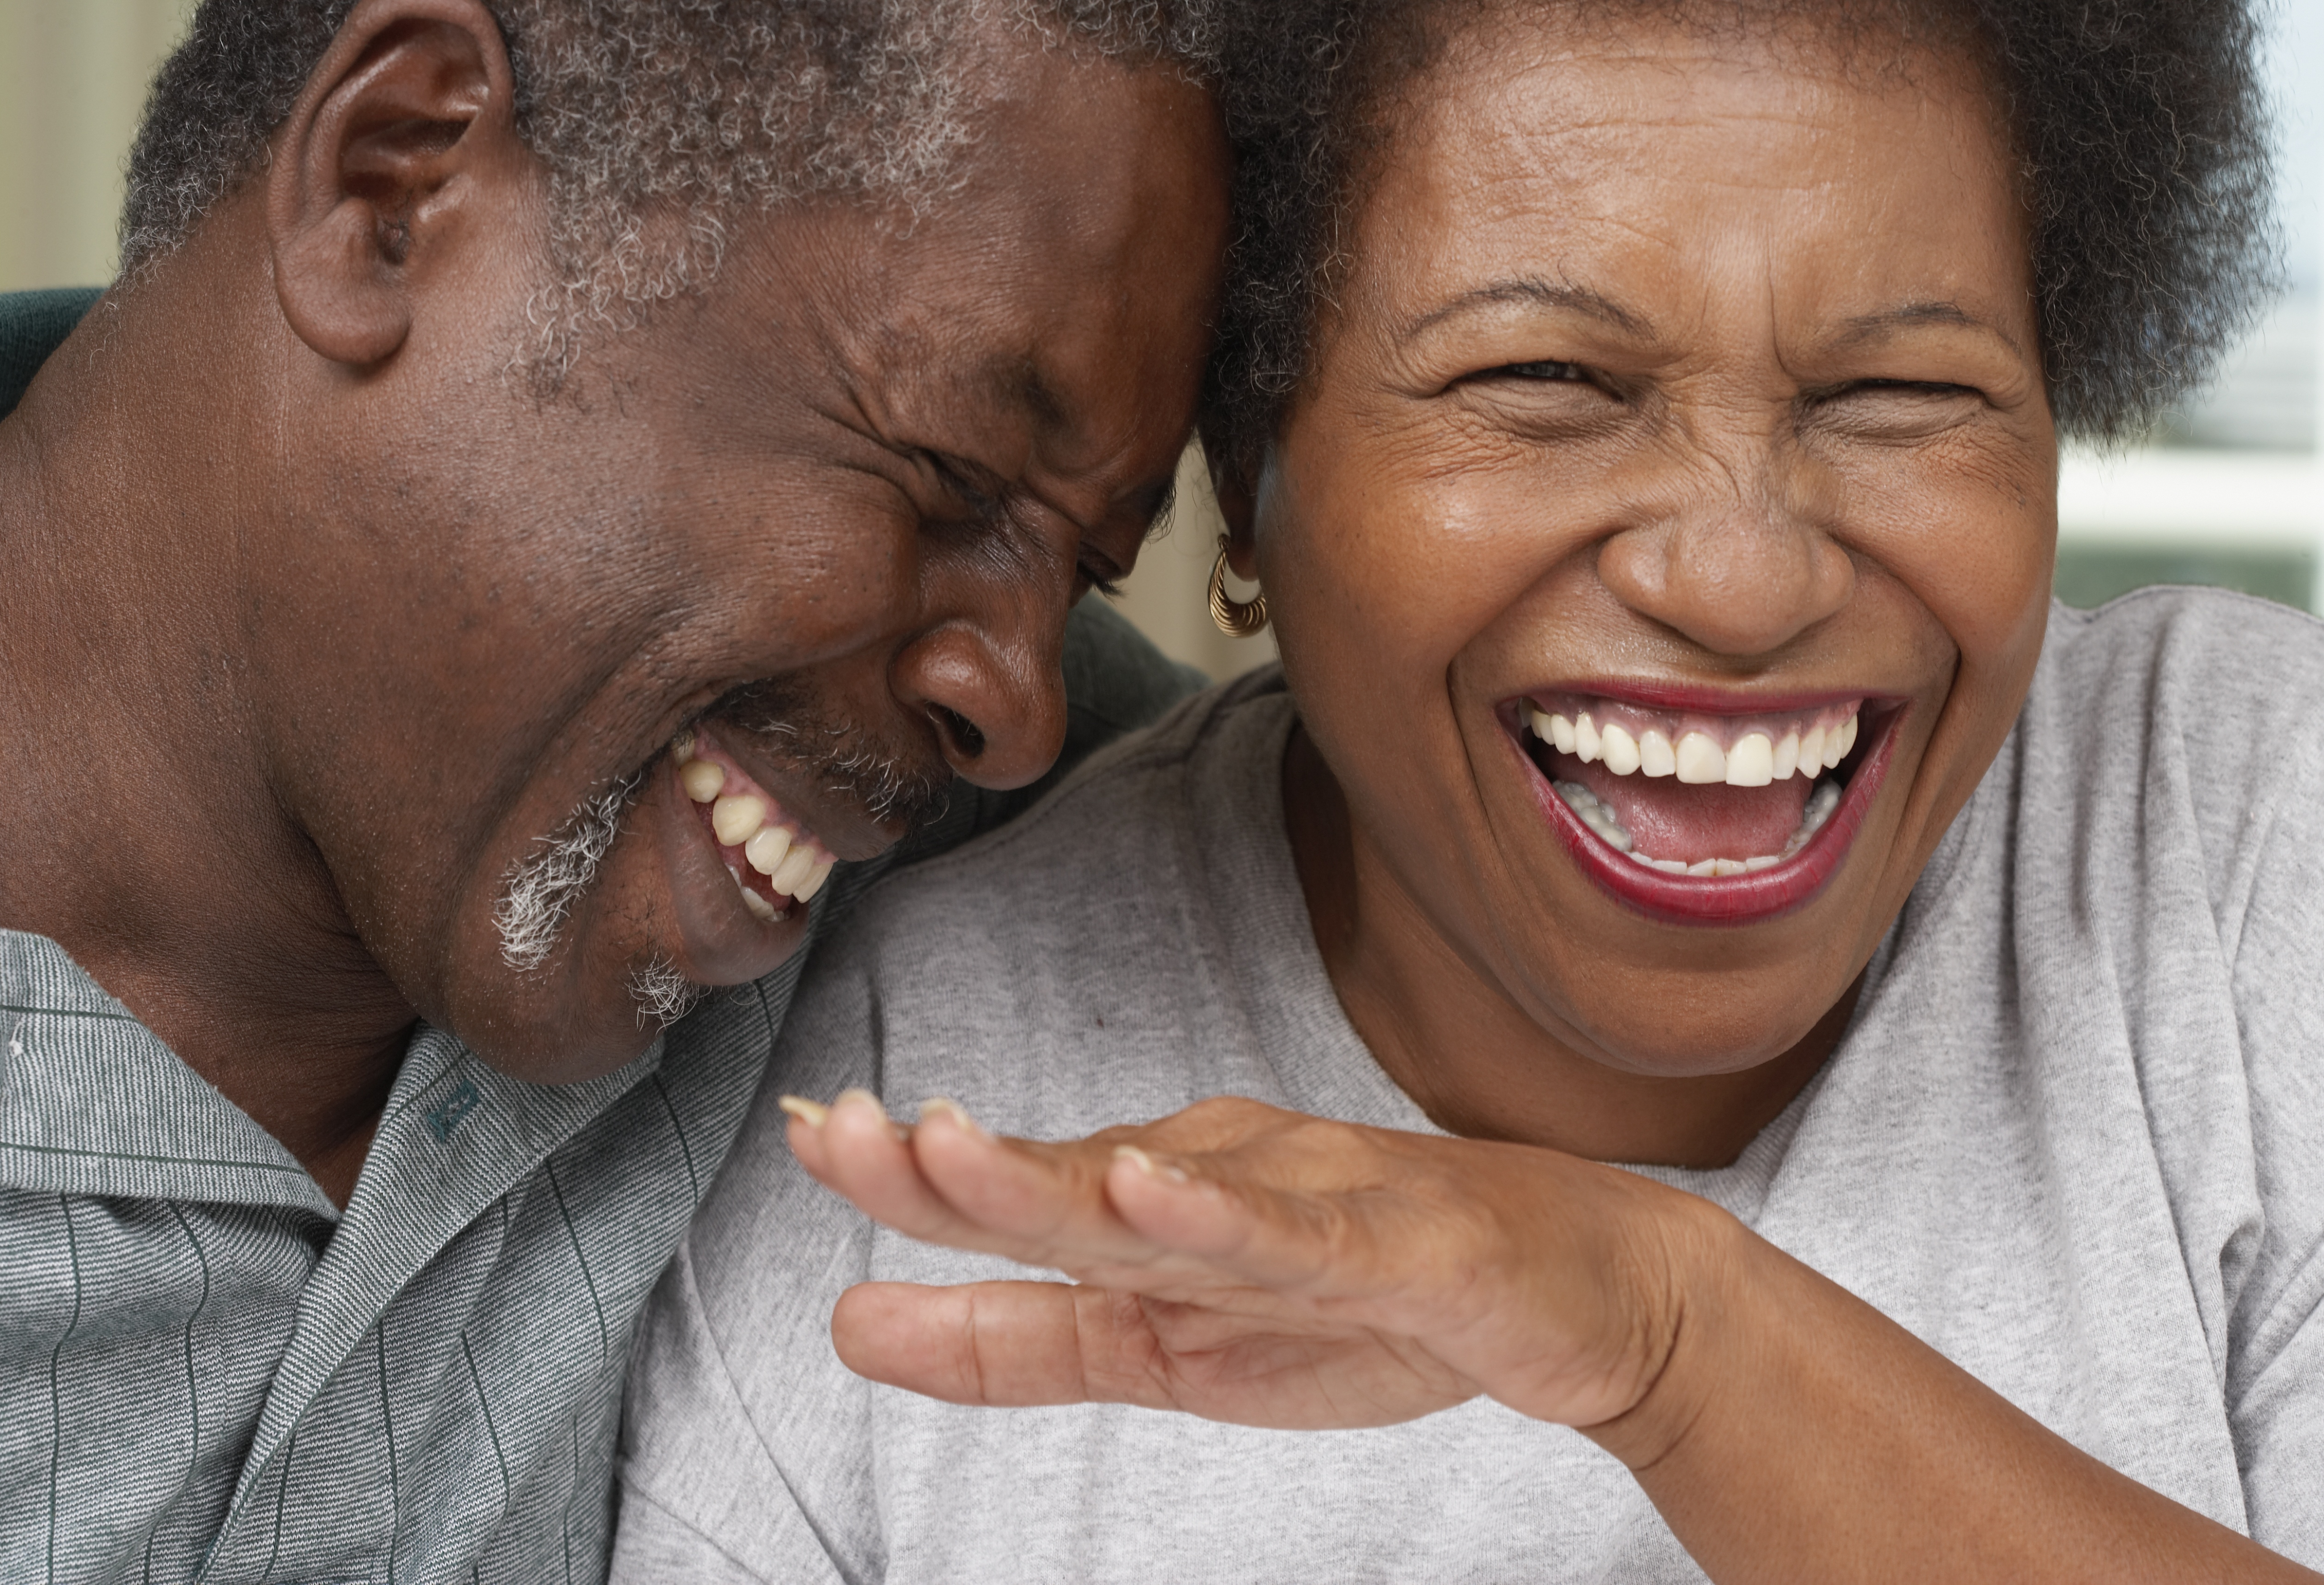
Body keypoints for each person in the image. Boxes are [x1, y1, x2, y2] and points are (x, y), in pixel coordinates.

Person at [613, 0, 2324, 1578]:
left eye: (1902, 396)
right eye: (1545, 386)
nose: (1740, 581)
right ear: (1244, 471)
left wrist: (1670, 1342)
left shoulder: (2244, 835)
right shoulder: (916, 1111)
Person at [0, 0, 1233, 1579]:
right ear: (393, 187)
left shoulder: (969, 848)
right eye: (952, 477)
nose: (1017, 708)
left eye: (1084, 568)